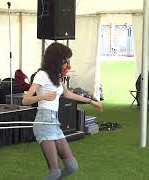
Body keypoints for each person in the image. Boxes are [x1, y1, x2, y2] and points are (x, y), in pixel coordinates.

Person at [22, 42, 102, 180]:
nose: (67, 64)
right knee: (55, 172)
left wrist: (91, 101)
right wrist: (43, 96)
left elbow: (68, 94)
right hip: (44, 122)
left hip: (54, 122)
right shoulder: (42, 75)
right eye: (65, 60)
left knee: (72, 167)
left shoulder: (56, 77)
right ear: (57, 59)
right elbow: (26, 100)